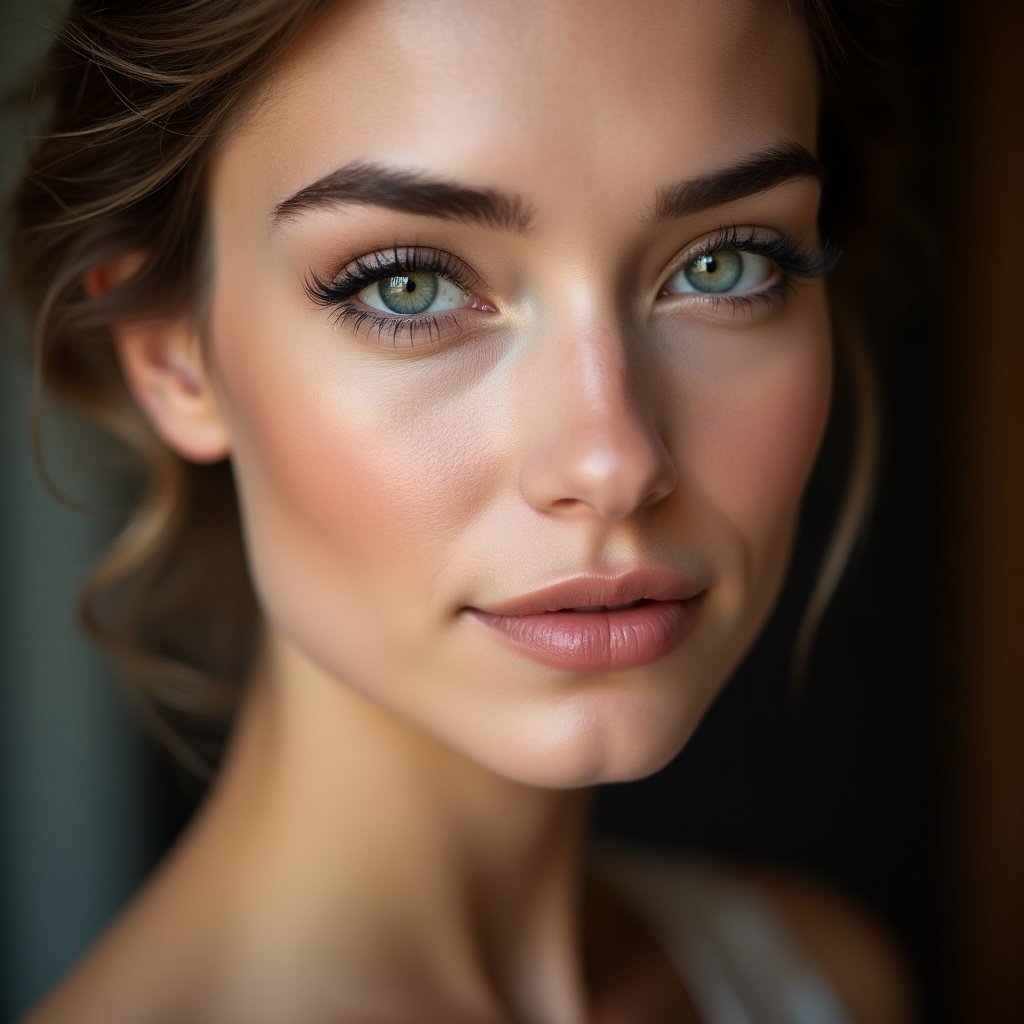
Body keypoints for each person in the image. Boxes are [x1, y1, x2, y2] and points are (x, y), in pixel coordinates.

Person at [7, 0, 917, 1020]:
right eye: (409, 286)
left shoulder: (821, 974)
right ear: (173, 355)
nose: (614, 461)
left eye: (725, 263)